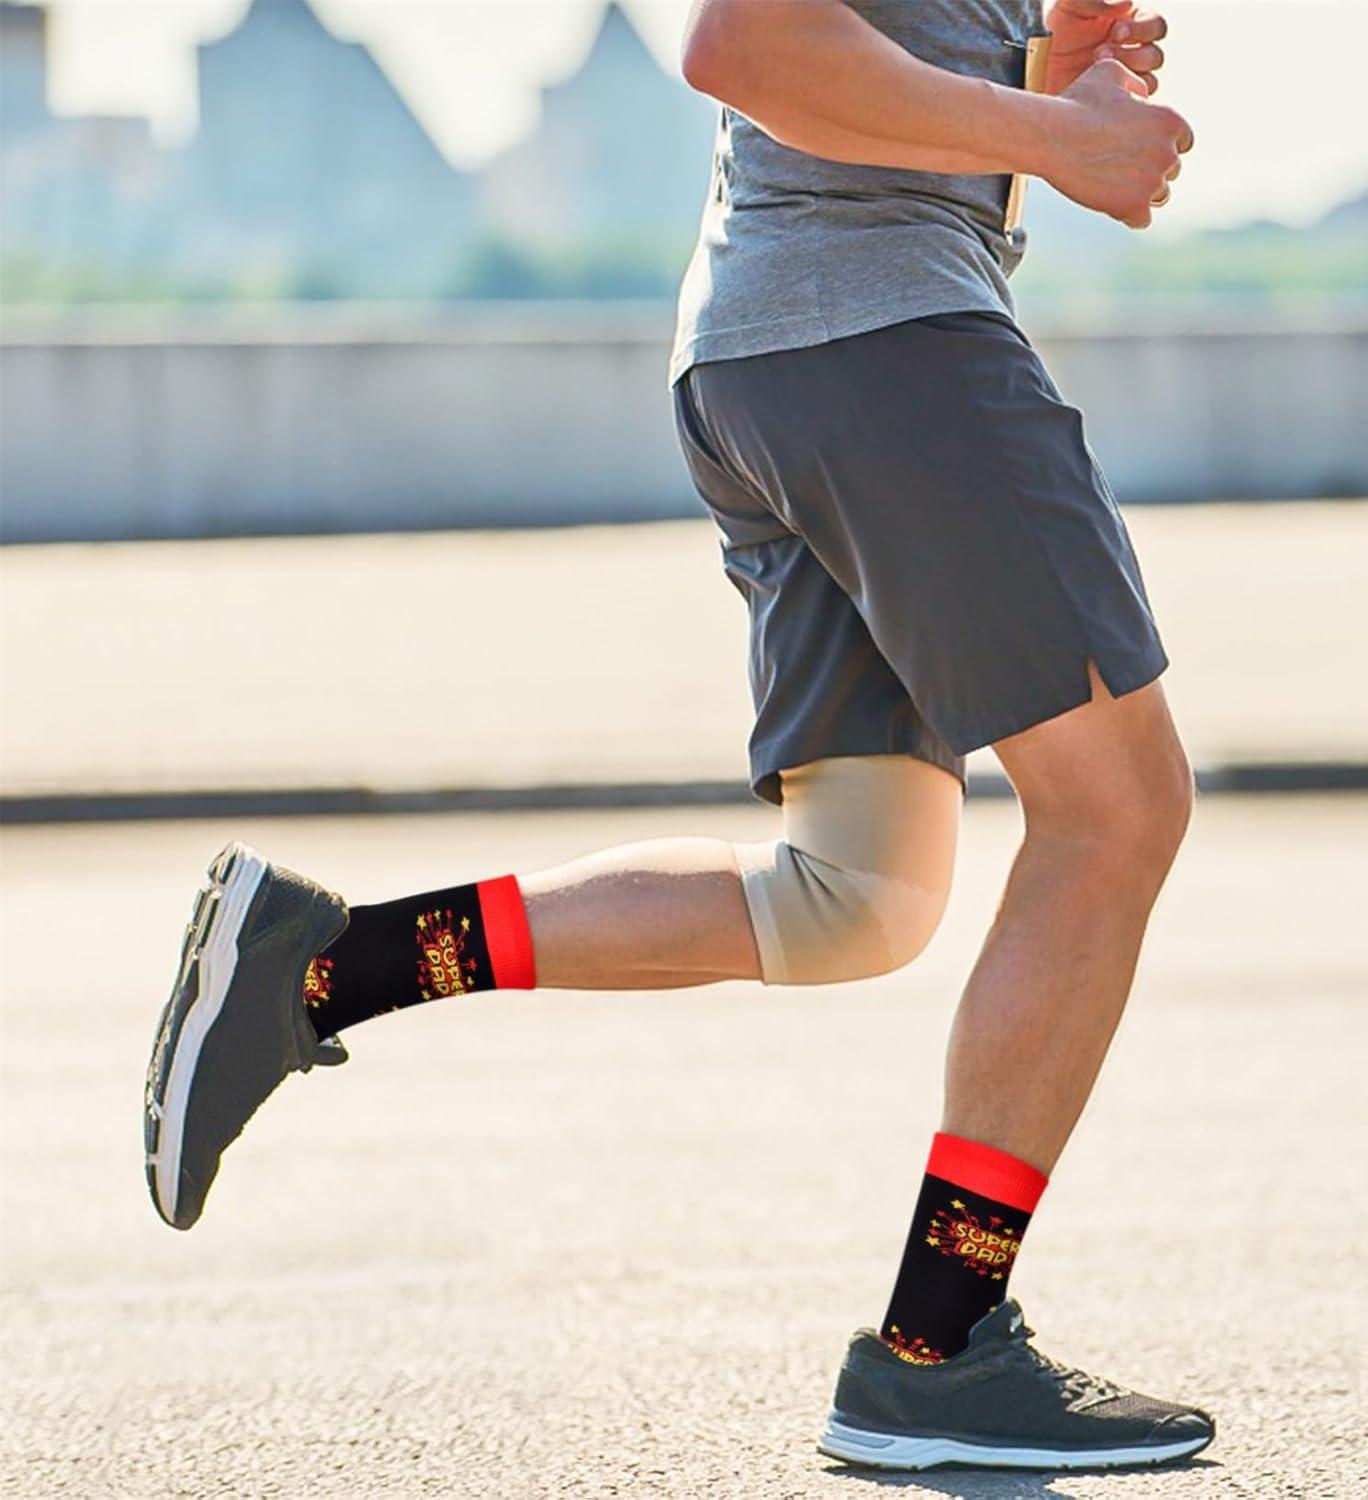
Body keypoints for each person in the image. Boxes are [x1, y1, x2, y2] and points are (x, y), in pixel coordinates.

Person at [144, 0, 1210, 1473]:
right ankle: (935, 1349)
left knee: (855, 900)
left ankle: (319, 969)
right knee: (1120, 814)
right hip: (885, 346)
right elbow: (745, 45)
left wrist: (1036, 64)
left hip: (789, 352)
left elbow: (869, 87)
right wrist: (1060, 134)